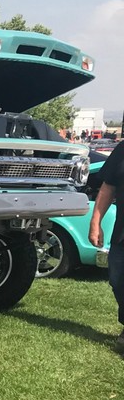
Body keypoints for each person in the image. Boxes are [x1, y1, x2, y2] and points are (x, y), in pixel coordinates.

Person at [90, 139, 124, 353]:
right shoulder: (122, 150)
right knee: (117, 279)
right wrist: (96, 223)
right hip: (122, 233)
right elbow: (107, 188)